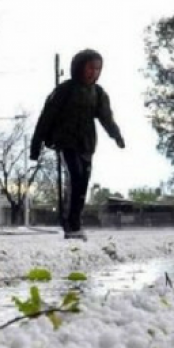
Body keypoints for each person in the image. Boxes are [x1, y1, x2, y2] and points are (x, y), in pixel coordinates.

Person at [30, 48, 125, 240]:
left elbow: (106, 118)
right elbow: (46, 118)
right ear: (79, 67)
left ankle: (76, 222)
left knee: (83, 184)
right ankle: (70, 224)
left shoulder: (98, 94)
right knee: (75, 178)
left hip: (87, 144)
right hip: (66, 142)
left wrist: (116, 135)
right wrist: (36, 145)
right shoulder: (64, 90)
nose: (93, 72)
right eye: (90, 68)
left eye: (97, 69)